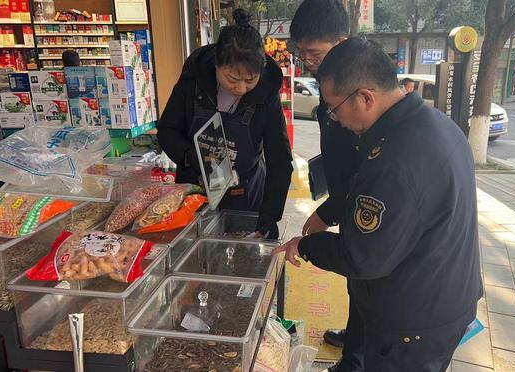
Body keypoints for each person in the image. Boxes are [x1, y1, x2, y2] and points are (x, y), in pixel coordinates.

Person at [273, 37, 482, 372]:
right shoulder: (436, 124)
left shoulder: (393, 161)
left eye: (334, 108)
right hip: (446, 296)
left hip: (413, 323)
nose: (335, 120)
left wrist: (307, 246)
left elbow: (363, 257)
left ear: (365, 97)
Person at [158, 9, 293, 239]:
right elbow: (167, 131)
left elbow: (280, 160)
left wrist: (270, 214)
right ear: (216, 66)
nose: (241, 89)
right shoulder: (194, 80)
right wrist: (190, 156)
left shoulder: (266, 94)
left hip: (245, 193)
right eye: (232, 79)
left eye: (250, 80)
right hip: (194, 189)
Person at [290, 1, 364, 371]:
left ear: (342, 42)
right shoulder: (327, 84)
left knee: (366, 272)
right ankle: (356, 335)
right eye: (300, 52)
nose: (307, 61)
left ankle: (356, 358)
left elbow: (362, 175)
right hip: (344, 196)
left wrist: (327, 213)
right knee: (357, 280)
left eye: (314, 53)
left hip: (363, 200)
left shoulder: (361, 90)